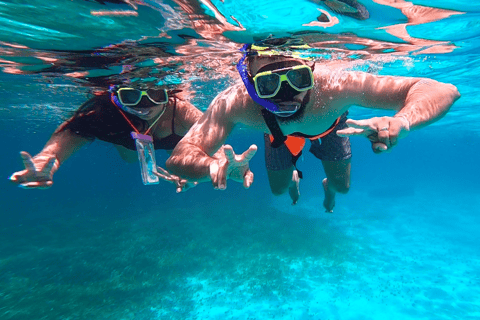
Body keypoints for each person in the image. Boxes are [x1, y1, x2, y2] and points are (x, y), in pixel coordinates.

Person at [165, 40, 460, 207]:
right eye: (268, 85)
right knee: (279, 191)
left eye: (298, 78)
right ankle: (294, 177)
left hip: (333, 126)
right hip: (277, 135)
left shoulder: (336, 86)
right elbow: (180, 155)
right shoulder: (237, 101)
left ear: (313, 70)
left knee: (342, 188)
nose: (286, 94)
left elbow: (444, 90)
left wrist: (404, 119)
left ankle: (326, 188)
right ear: (250, 84)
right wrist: (210, 166)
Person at [9, 85, 205, 190]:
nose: (145, 104)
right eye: (131, 96)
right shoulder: (108, 113)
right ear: (117, 95)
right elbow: (75, 129)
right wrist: (46, 157)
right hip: (128, 143)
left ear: (168, 93)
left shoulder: (180, 111)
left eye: (155, 94)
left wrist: (196, 170)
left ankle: (180, 155)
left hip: (177, 139)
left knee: (183, 145)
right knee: (130, 157)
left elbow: (210, 134)